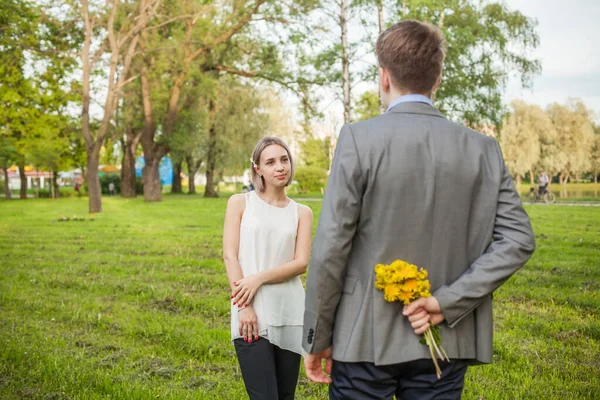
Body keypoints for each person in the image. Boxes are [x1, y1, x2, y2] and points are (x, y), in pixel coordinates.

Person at [302, 20, 536, 399]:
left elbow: (330, 247)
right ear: (437, 78)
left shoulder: (358, 139)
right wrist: (447, 301)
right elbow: (519, 241)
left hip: (363, 338)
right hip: (446, 340)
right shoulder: (482, 149)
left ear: (384, 77)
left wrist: (318, 335)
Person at [223, 137, 313, 399]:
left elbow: (300, 263)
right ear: (258, 169)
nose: (280, 167)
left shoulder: (302, 212)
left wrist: (258, 278)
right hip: (250, 313)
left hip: (289, 312)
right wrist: (244, 307)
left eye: (284, 160)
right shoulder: (240, 203)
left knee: (285, 396)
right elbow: (230, 255)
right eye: (271, 162)